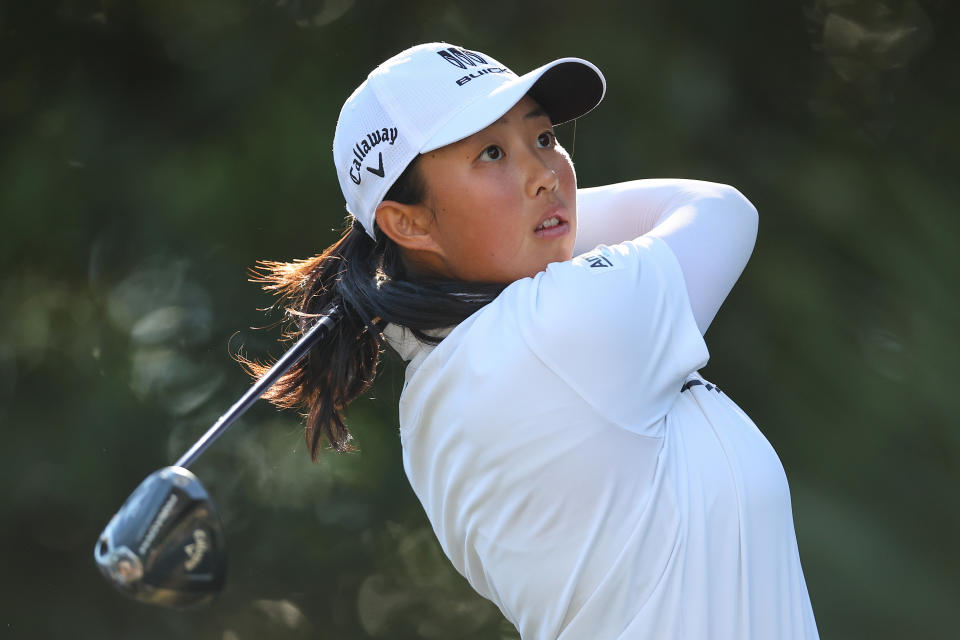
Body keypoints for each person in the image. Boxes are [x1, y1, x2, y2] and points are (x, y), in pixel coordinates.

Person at [248, 42, 820, 639]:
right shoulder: (549, 334)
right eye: (491, 153)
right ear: (409, 222)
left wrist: (496, 226)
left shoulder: (448, 380)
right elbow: (717, 210)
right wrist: (545, 219)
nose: (544, 175)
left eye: (543, 138)